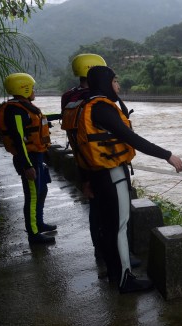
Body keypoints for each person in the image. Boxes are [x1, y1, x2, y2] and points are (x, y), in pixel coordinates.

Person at [77, 65, 182, 293]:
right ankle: (125, 279)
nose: (118, 86)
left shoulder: (87, 106)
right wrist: (167, 155)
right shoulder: (102, 109)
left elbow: (81, 147)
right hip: (112, 174)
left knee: (109, 227)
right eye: (115, 82)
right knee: (118, 227)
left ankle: (115, 273)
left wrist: (86, 179)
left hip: (99, 175)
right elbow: (131, 138)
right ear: (106, 84)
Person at [0, 73, 61, 245]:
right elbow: (19, 138)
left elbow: (39, 122)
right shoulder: (14, 110)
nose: (34, 90)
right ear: (23, 88)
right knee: (32, 196)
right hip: (28, 159)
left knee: (42, 191)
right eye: (32, 87)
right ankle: (33, 234)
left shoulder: (26, 107)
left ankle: (39, 222)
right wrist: (27, 165)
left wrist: (60, 116)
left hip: (37, 156)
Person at [61, 53, 107, 259]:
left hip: (82, 161)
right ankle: (113, 255)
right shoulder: (97, 100)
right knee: (108, 211)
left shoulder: (68, 97)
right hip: (102, 162)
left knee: (94, 209)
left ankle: (100, 250)